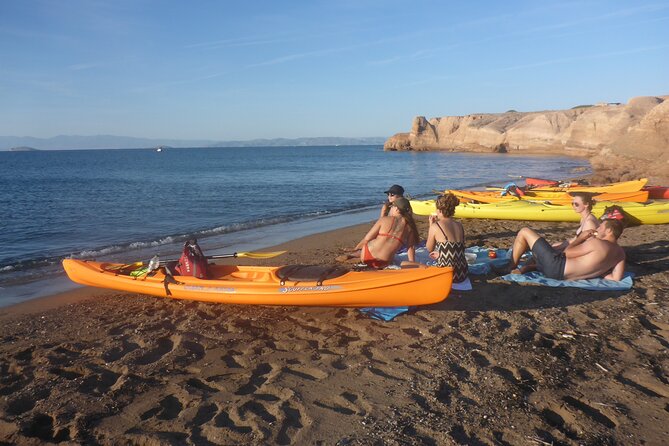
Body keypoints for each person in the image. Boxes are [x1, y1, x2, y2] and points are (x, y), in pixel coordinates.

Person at [505, 218, 625, 281]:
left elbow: (566, 253)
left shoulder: (597, 243)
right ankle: (527, 267)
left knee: (525, 231)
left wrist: (581, 238)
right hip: (563, 277)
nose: (598, 228)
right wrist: (600, 271)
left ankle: (511, 266)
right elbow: (616, 278)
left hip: (555, 266)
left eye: (601, 227)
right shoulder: (621, 254)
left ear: (609, 231)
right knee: (542, 255)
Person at [338, 197, 419, 269]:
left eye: (392, 206)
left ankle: (356, 256)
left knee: (372, 243)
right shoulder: (410, 227)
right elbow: (410, 247)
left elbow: (367, 238)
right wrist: (412, 263)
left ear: (397, 209)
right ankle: (356, 257)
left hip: (367, 255)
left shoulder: (384, 219)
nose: (390, 208)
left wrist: (356, 249)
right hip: (384, 262)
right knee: (388, 253)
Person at [404, 193, 469, 282]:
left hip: (448, 274)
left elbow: (429, 248)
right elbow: (456, 248)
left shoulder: (436, 226)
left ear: (440, 210)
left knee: (404, 264)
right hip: (463, 271)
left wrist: (431, 225)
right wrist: (440, 253)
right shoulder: (459, 225)